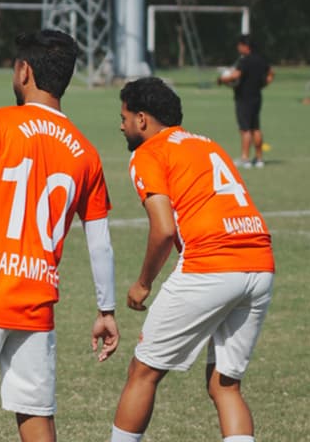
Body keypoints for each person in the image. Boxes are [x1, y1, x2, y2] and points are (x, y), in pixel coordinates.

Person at [0, 29, 119, 442]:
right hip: (36, 298)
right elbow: (100, 240)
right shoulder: (86, 151)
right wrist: (106, 309)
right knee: (35, 417)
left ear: (24, 71)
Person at [108, 77, 276, 442]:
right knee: (225, 385)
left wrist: (142, 284)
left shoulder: (148, 153)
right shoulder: (206, 142)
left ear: (142, 119)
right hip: (260, 264)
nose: (120, 125)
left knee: (143, 372)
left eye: (123, 117)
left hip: (211, 266)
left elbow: (164, 229)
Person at [218, 35, 273, 168]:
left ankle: (245, 158)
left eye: (239, 45)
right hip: (256, 97)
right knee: (256, 128)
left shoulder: (245, 61)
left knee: (245, 129)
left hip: (243, 98)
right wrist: (264, 84)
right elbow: (271, 73)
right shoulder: (261, 59)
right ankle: (259, 159)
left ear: (245, 46)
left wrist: (222, 80)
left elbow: (236, 75)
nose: (238, 48)